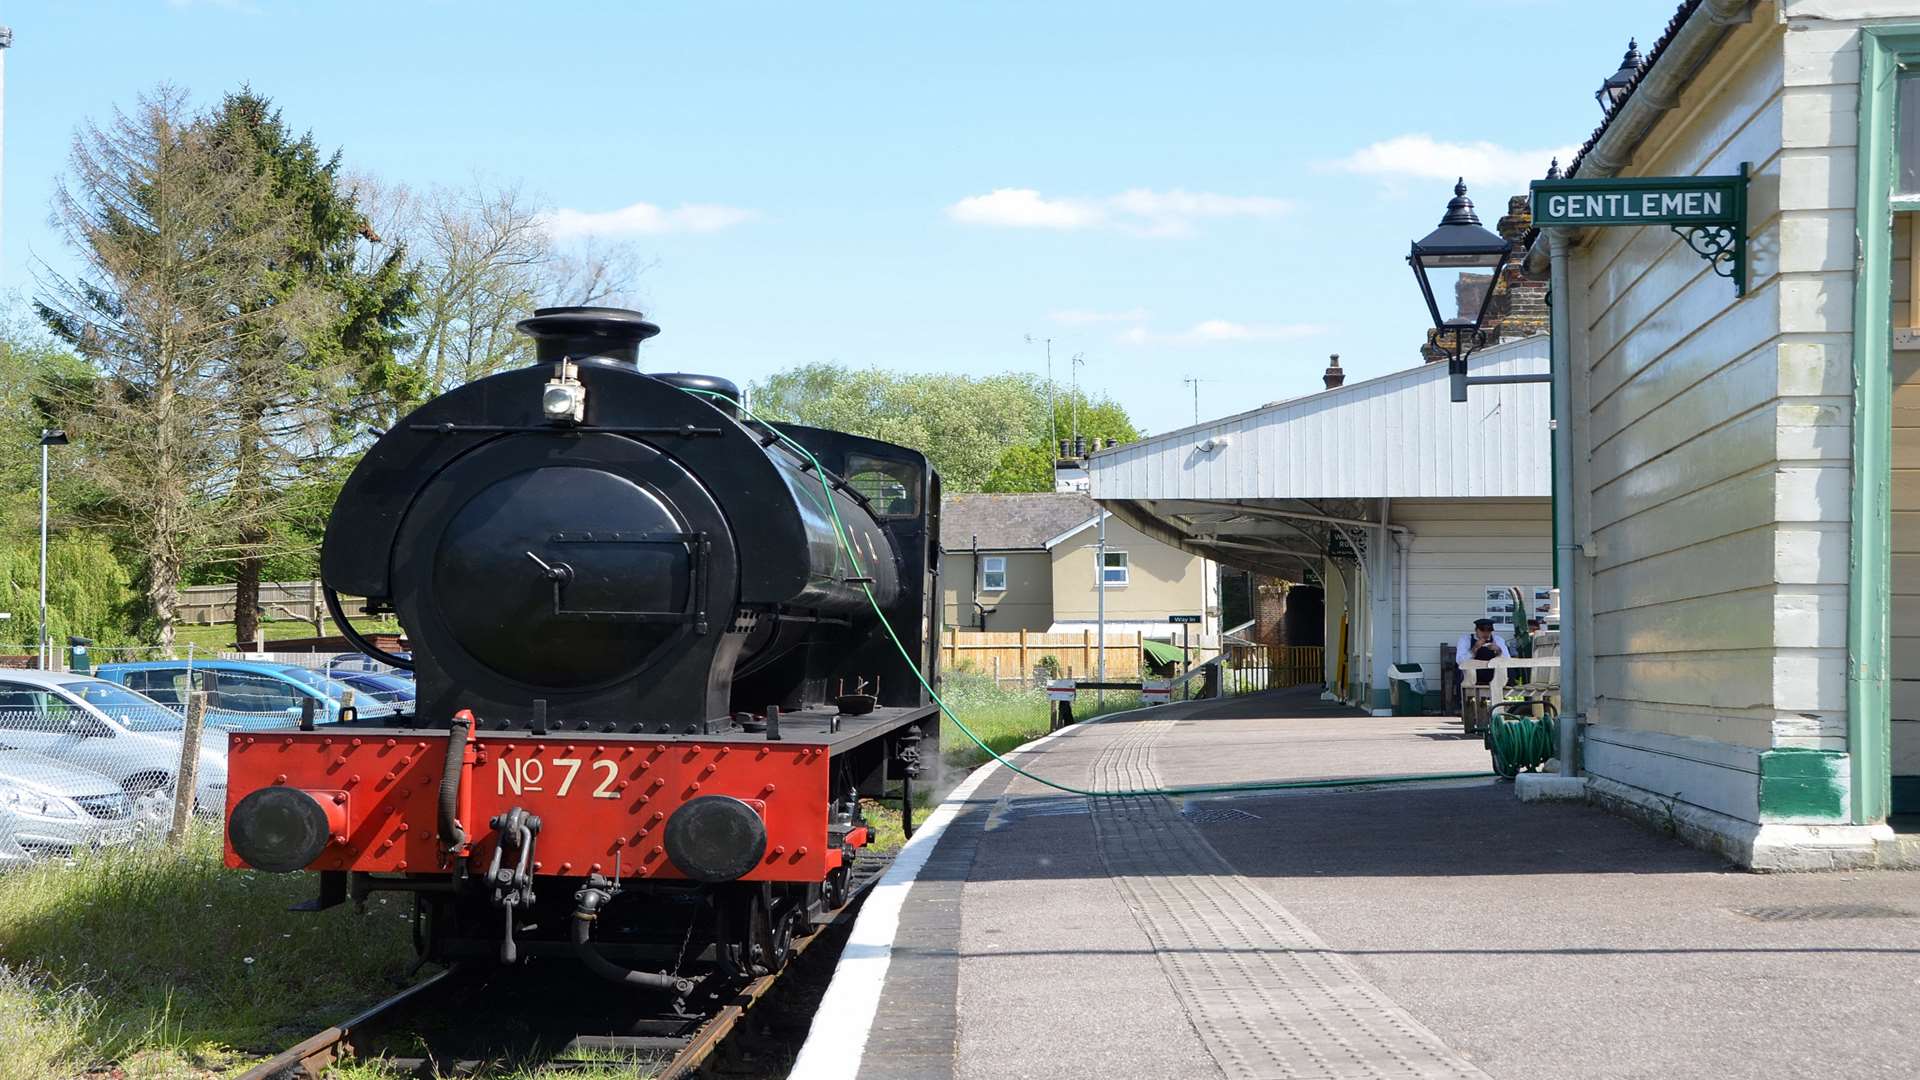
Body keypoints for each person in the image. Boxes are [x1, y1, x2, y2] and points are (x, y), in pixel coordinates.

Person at [1453, 617, 1510, 695]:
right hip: (1473, 675)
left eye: (1489, 631)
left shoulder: (1498, 640)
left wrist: (1499, 651)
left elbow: (1507, 660)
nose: (1486, 634)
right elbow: (1460, 661)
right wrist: (1474, 649)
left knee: (1509, 673)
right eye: (1482, 631)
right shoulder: (1466, 639)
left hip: (1492, 674)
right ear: (1476, 630)